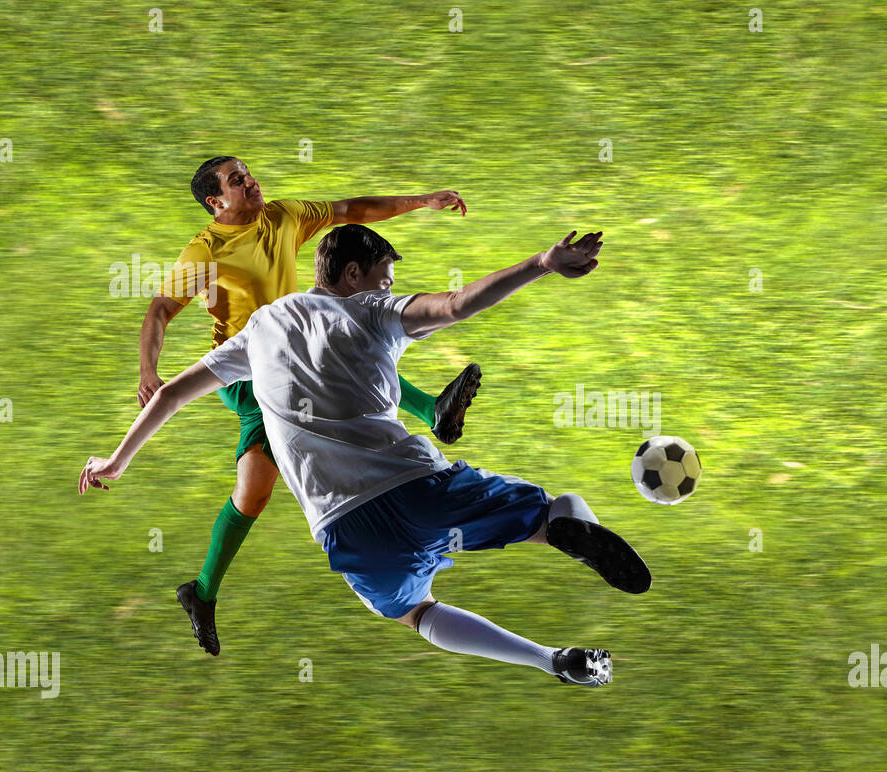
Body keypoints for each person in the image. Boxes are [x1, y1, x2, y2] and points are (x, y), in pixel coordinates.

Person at [83, 225, 648, 687]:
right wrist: (542, 264)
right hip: (414, 487)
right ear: (354, 274)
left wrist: (117, 460)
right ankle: (565, 531)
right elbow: (455, 305)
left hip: (343, 529)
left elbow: (170, 394)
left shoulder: (259, 328)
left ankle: (553, 662)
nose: (390, 286)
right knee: (559, 510)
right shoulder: (374, 309)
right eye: (386, 277)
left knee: (417, 612)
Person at [141, 156, 482, 651]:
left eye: (249, 172)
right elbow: (159, 310)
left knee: (341, 344)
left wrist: (422, 200)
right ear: (216, 202)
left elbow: (352, 208)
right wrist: (148, 372)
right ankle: (202, 592)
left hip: (294, 342)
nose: (251, 181)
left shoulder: (284, 216)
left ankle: (433, 412)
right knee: (257, 489)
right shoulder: (204, 254)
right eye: (237, 181)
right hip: (246, 368)